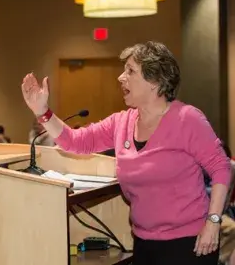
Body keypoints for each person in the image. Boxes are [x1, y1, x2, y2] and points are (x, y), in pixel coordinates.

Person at [21, 41, 231, 265]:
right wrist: (42, 112)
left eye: (130, 71)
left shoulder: (187, 119)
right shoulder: (121, 122)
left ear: (155, 81)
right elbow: (74, 142)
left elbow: (221, 168)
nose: (121, 77)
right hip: (143, 243)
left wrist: (214, 221)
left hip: (190, 244)